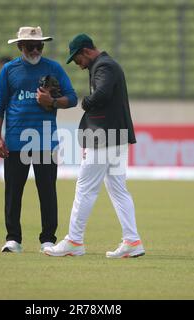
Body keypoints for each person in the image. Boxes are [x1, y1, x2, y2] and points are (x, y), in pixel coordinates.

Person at [44, 34, 145, 258]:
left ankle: (74, 241)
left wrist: (85, 102)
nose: (78, 65)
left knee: (85, 188)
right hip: (115, 137)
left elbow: (101, 95)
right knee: (118, 190)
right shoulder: (106, 65)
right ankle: (132, 240)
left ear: (86, 51)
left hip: (105, 137)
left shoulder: (104, 66)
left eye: (77, 59)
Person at [0, 26, 78, 253]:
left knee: (47, 191)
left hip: (46, 142)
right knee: (13, 192)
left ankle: (48, 240)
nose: (35, 49)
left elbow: (72, 98)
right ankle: (13, 239)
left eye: (39, 45)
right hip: (15, 141)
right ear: (20, 46)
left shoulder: (54, 68)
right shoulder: (9, 70)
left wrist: (52, 101)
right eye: (30, 46)